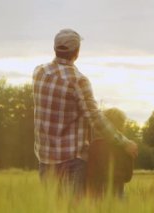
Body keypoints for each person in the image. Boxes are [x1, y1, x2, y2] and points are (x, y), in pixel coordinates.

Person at [32, 29, 138, 198]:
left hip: (45, 159)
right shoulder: (78, 80)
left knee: (52, 208)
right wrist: (124, 142)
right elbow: (95, 118)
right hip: (71, 161)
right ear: (77, 52)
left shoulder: (39, 73)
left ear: (55, 48)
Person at [87, 108, 134, 199]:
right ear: (122, 125)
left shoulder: (94, 145)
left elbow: (90, 174)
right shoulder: (127, 147)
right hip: (119, 194)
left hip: (97, 196)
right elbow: (128, 177)